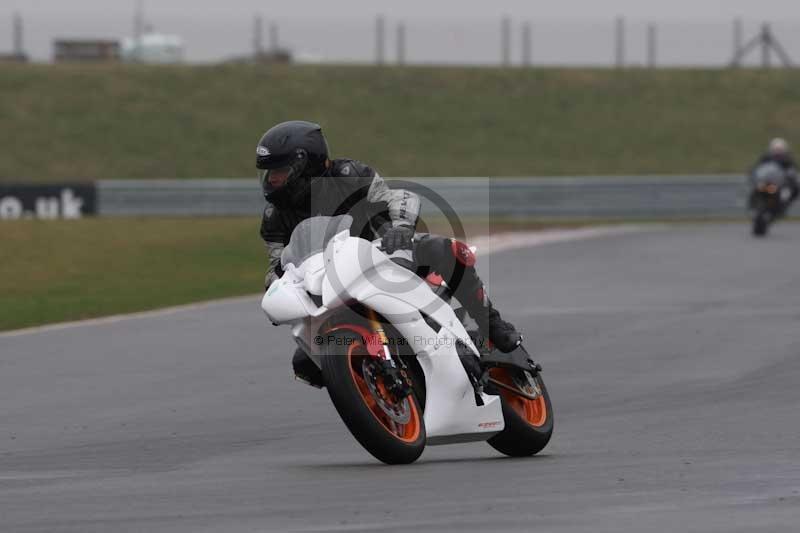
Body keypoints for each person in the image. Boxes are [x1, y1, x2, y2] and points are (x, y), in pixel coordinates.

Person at [256, 120, 522, 387]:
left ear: (305, 165)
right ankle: (376, 390)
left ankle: (492, 324)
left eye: (279, 171)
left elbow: (400, 198)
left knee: (447, 250)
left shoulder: (349, 175)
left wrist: (402, 228)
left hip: (387, 254)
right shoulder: (275, 218)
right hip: (332, 286)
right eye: (268, 173)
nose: (271, 180)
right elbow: (277, 264)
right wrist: (279, 288)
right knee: (306, 365)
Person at [752, 138, 799, 204]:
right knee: (757, 189)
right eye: (776, 149)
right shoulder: (766, 157)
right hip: (766, 181)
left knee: (785, 194)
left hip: (780, 183)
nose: (777, 152)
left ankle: (782, 205)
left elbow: (792, 171)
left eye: (779, 150)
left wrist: (789, 177)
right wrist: (755, 175)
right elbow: (757, 168)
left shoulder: (787, 160)